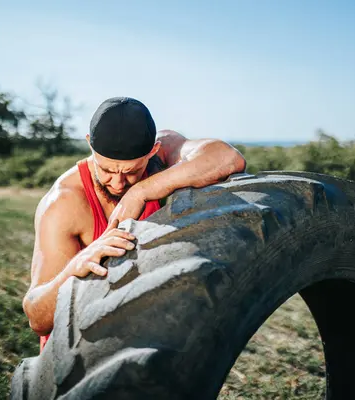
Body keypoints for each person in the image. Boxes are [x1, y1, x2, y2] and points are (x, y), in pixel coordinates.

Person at [22, 96, 247, 352]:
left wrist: (141, 191)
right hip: (80, 353)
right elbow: (37, 318)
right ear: (89, 145)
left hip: (144, 336)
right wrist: (76, 266)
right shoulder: (63, 203)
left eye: (131, 172)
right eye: (106, 170)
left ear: (153, 151)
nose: (118, 184)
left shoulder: (161, 155)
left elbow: (228, 158)